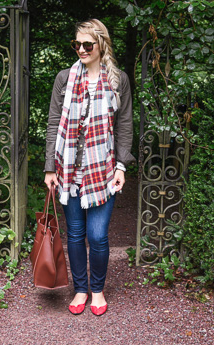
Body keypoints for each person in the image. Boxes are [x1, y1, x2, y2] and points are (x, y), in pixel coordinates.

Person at [44, 19, 134, 316]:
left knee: (97, 236)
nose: (81, 49)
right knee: (75, 234)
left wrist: (121, 165)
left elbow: (124, 126)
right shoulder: (64, 78)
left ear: (101, 45)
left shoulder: (118, 79)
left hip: (103, 171)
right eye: (77, 44)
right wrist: (49, 168)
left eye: (87, 44)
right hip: (68, 171)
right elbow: (54, 122)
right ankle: (80, 289)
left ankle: (97, 289)